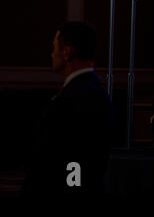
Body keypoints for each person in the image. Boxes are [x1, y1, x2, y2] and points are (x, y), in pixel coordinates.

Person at [22, 22, 112, 201]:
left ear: (67, 52)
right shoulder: (91, 90)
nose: (52, 53)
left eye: (54, 47)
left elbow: (78, 156)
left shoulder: (80, 95)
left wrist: (71, 193)